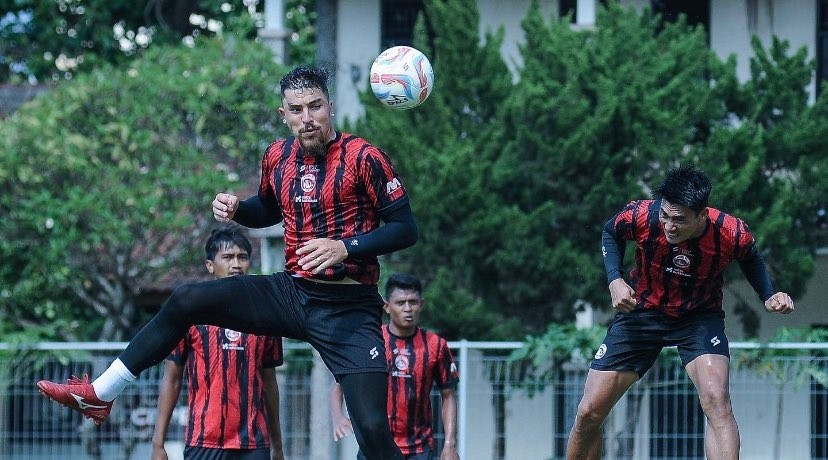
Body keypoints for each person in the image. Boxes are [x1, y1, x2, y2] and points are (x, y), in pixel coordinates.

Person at [37, 65, 417, 460]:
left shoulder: (365, 157)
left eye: (315, 107)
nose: (308, 119)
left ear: (330, 107)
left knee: (372, 429)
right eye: (297, 109)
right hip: (291, 292)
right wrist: (238, 209)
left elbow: (405, 229)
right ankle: (101, 394)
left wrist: (345, 246)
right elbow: (267, 209)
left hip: (348, 308)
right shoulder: (277, 156)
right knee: (186, 299)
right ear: (282, 114)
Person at [565, 165, 795, 460]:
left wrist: (769, 294)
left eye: (679, 220)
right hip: (641, 311)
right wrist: (615, 279)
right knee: (588, 412)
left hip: (698, 316)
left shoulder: (729, 232)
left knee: (717, 401)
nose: (669, 226)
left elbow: (751, 258)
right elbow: (611, 231)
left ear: (702, 215)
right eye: (665, 216)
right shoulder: (642, 215)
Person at [151, 226, 285, 460]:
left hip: (254, 443)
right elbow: (171, 380)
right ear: (210, 265)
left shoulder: (266, 315)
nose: (236, 264)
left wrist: (277, 445)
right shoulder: (190, 315)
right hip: (204, 440)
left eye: (242, 257)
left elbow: (270, 383)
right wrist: (157, 443)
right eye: (228, 257)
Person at [330, 273, 459, 460]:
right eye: (400, 303)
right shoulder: (370, 340)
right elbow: (338, 386)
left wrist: (450, 444)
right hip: (375, 448)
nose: (408, 309)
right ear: (387, 307)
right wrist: (337, 417)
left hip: (419, 450)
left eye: (413, 302)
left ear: (421, 305)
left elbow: (448, 396)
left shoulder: (435, 345)